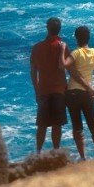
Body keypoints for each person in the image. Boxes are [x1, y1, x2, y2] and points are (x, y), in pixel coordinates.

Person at [60, 25, 94, 160]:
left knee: (77, 126)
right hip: (87, 93)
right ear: (88, 37)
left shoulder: (76, 53)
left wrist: (62, 49)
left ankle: (83, 157)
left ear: (76, 38)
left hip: (72, 93)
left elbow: (64, 64)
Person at [30, 17, 70, 153]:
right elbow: (69, 69)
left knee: (41, 125)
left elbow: (33, 73)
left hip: (43, 91)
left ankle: (38, 153)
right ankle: (56, 152)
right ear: (59, 30)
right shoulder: (62, 46)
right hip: (59, 90)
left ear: (47, 28)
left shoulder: (36, 48)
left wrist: (36, 91)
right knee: (57, 125)